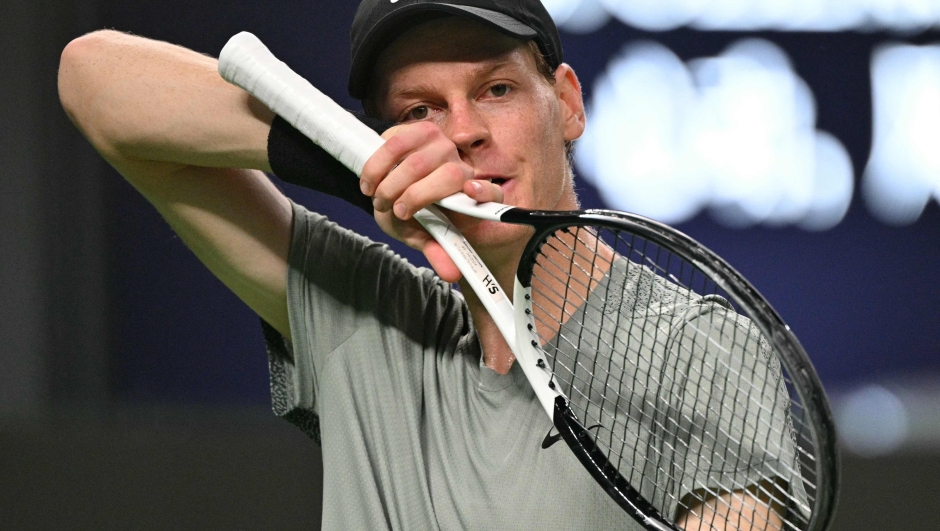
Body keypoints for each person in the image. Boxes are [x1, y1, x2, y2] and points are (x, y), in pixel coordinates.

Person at [58, 0, 790, 529]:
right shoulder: (364, 315)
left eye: (496, 90)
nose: (463, 132)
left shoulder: (696, 346)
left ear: (565, 103)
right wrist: (370, 171)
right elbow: (92, 82)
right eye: (419, 113)